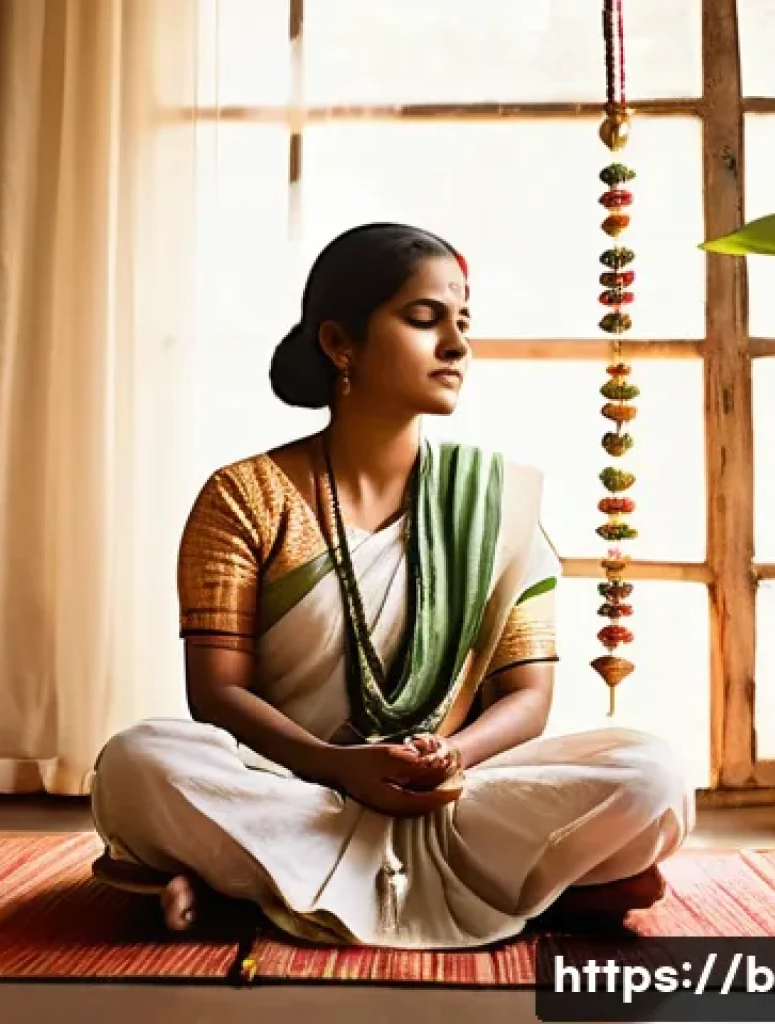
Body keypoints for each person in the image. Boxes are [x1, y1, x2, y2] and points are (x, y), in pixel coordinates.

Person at [90, 223, 693, 950]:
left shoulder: (495, 505)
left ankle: (249, 881)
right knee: (137, 762)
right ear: (340, 343)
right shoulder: (245, 496)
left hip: (454, 791)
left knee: (649, 772)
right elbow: (215, 693)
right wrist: (339, 767)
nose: (458, 345)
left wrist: (452, 758)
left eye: (464, 322)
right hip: (295, 782)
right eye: (424, 318)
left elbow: (528, 698)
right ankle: (539, 885)